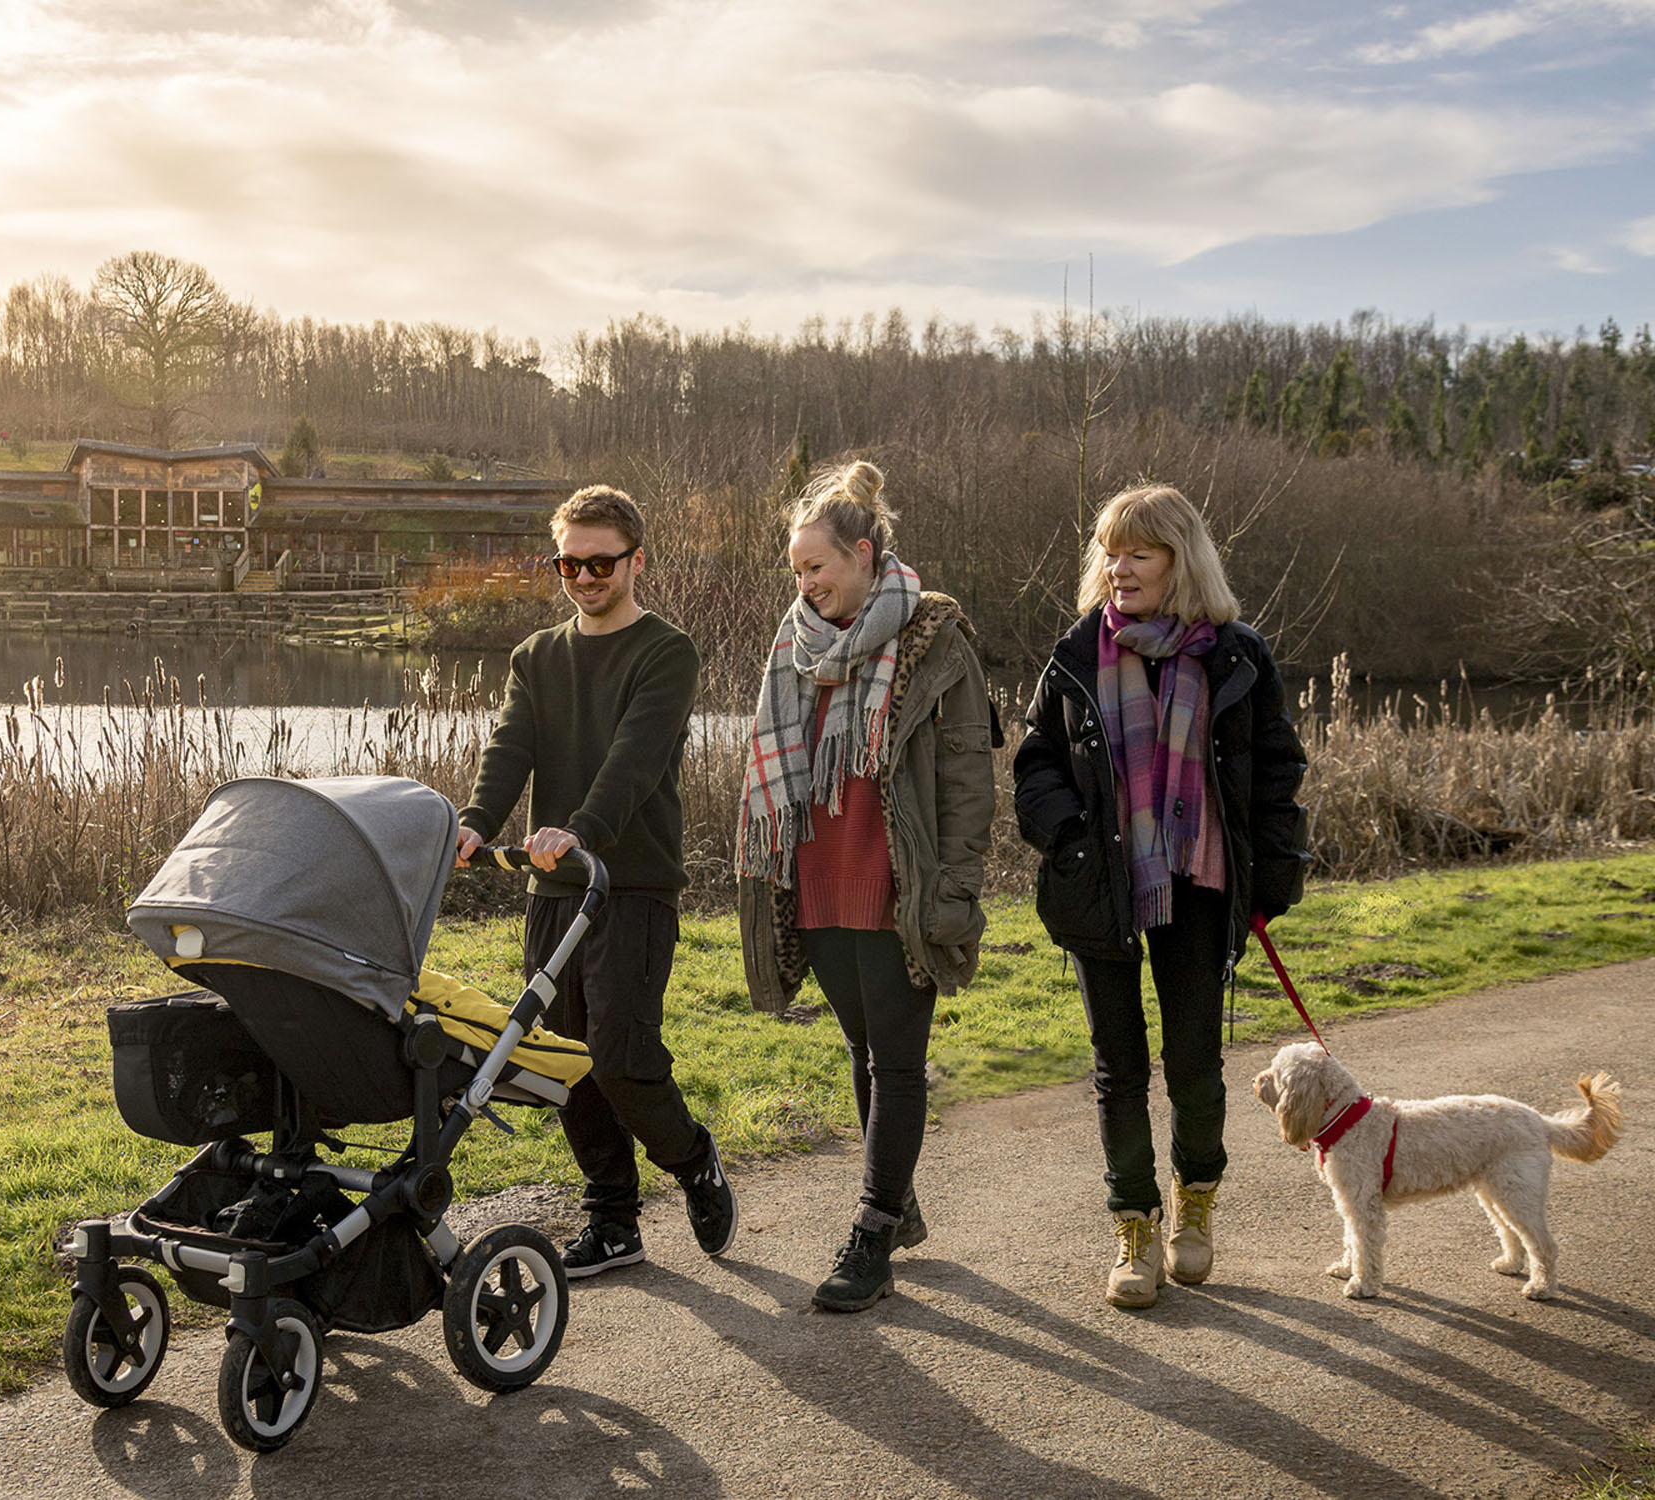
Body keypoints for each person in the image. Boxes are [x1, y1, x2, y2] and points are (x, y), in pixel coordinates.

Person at [1012, 484, 1309, 1309]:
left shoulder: (1237, 655)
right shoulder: (1074, 654)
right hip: (1099, 881)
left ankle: (1195, 1208)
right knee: (1118, 1066)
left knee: (1194, 1064)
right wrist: (1068, 837)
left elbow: (1277, 774)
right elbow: (1033, 765)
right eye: (1109, 552)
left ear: (1182, 561)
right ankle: (1134, 1224)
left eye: (1138, 552)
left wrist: (1274, 876)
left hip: (1200, 880)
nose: (1118, 568)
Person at [456, 484, 737, 1278]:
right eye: (568, 563)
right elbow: (510, 747)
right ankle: (613, 1221)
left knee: (620, 1055)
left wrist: (581, 830)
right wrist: (477, 822)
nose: (583, 577)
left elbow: (636, 760)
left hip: (633, 883)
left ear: (635, 561)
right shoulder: (536, 657)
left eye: (600, 562)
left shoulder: (666, 652)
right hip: (554, 892)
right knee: (562, 1059)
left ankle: (692, 1160)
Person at [737, 460, 998, 1313]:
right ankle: (896, 1200)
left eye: (817, 567)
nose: (806, 585)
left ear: (863, 552)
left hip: (896, 879)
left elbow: (965, 777)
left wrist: (956, 887)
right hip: (814, 872)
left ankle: (873, 1231)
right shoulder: (794, 643)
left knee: (896, 1058)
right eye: (797, 572)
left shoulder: (933, 637)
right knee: (861, 1047)